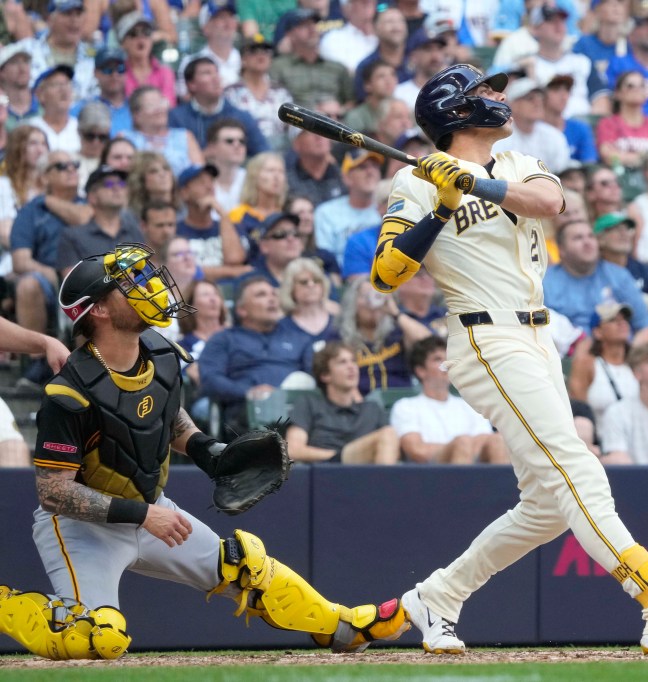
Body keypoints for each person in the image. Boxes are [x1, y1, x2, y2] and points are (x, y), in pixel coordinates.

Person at [371, 63, 648, 656]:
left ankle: (437, 597)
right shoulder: (413, 182)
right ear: (456, 110)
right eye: (484, 91)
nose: (499, 97)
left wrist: (472, 183)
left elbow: (552, 201)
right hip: (484, 338)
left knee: (547, 505)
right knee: (578, 468)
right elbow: (386, 274)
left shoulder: (518, 164)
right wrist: (440, 205)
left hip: (539, 337)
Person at [0, 243, 407, 661]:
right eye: (128, 285)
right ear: (99, 310)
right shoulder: (66, 393)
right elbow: (53, 492)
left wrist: (209, 451)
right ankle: (7, 607)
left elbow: (169, 418)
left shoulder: (160, 354)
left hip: (153, 509)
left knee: (244, 565)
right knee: (95, 639)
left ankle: (342, 625)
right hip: (81, 528)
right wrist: (145, 515)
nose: (149, 286)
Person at [199, 276, 316, 429]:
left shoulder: (300, 338)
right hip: (244, 411)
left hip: (295, 410)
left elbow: (315, 378)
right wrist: (247, 392)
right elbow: (210, 379)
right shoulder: (224, 339)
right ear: (242, 310)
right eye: (261, 295)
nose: (271, 299)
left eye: (274, 294)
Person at [11, 151, 82, 367]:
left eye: (74, 164)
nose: (71, 169)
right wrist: (49, 273)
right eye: (61, 166)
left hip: (87, 277)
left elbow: (85, 217)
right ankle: (37, 363)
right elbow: (20, 261)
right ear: (44, 177)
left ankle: (91, 366)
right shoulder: (31, 211)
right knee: (29, 284)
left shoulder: (92, 202)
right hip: (48, 280)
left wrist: (48, 198)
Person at [390, 336, 507, 465]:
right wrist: (457, 447)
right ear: (421, 371)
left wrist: (463, 447)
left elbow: (485, 439)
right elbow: (417, 450)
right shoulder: (406, 406)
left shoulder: (469, 405)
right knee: (462, 442)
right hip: (427, 476)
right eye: (438, 359)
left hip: (474, 468)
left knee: (498, 441)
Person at [286, 341, 400, 465]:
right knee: (387, 434)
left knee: (389, 434)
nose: (351, 367)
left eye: (353, 361)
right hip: (324, 474)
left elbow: (393, 449)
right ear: (325, 375)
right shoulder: (308, 404)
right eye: (342, 362)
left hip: (365, 476)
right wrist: (337, 458)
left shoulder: (372, 409)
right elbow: (293, 449)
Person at [544, 220, 648, 343]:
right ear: (561, 249)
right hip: (569, 355)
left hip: (620, 353)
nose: (587, 242)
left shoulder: (619, 275)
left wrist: (627, 357)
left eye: (591, 236)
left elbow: (646, 328)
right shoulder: (546, 283)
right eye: (578, 238)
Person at [339, 275, 433, 395]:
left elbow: (429, 343)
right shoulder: (341, 336)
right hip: (360, 403)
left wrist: (395, 312)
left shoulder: (397, 330)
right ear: (353, 303)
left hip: (402, 400)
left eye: (377, 296)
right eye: (366, 296)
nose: (372, 303)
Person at [169, 57, 268, 158]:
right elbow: (173, 160)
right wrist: (205, 155)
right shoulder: (177, 118)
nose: (216, 78)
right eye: (207, 73)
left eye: (216, 72)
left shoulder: (241, 117)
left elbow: (264, 155)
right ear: (191, 84)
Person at [56, 165, 144, 277]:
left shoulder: (135, 230)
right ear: (92, 197)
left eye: (121, 184)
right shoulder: (72, 236)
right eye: (109, 184)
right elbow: (72, 284)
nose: (117, 188)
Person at [567, 301, 640, 437]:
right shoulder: (586, 364)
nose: (622, 323)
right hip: (601, 441)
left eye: (624, 319)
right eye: (613, 320)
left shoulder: (638, 363)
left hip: (636, 439)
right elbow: (581, 411)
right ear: (598, 332)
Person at [175, 163, 248, 282]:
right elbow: (182, 271)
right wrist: (233, 272)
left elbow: (235, 259)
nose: (209, 187)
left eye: (211, 181)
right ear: (184, 193)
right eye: (201, 182)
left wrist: (223, 214)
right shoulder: (175, 232)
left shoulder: (229, 226)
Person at [269, 8, 354, 109]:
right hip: (297, 120)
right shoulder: (278, 67)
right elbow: (273, 103)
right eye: (304, 25)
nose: (312, 29)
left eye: (314, 24)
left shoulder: (337, 68)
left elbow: (352, 102)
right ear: (289, 34)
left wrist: (340, 110)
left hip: (335, 120)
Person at [314, 149, 384, 267]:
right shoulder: (326, 212)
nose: (370, 172)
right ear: (346, 177)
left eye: (375, 167)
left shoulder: (390, 210)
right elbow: (326, 258)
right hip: (344, 278)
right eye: (362, 167)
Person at [223, 34, 291, 152]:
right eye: (253, 51)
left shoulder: (281, 91)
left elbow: (290, 127)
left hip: (280, 150)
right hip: (244, 150)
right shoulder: (231, 92)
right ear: (243, 58)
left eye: (266, 51)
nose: (261, 55)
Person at [492, 78, 571, 175]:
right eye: (530, 98)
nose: (538, 102)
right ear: (513, 104)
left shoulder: (553, 136)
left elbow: (562, 173)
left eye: (540, 97)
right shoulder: (499, 136)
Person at [121, 86, 204, 177]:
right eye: (151, 105)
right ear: (136, 115)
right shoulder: (125, 138)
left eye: (161, 102)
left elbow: (200, 173)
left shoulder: (185, 136)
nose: (159, 109)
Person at [229, 151, 287, 256]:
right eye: (270, 171)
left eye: (281, 171)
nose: (277, 176)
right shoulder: (238, 214)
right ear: (254, 176)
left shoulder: (288, 213)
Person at [117, 12, 176, 104]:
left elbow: (169, 106)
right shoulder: (117, 73)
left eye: (146, 32)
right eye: (133, 34)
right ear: (122, 43)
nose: (141, 38)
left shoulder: (165, 72)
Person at [279, 257, 339, 345]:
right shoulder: (281, 326)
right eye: (304, 282)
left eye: (316, 281)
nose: (311, 285)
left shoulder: (338, 322)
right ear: (290, 288)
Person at [27, 66, 79, 155]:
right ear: (40, 95)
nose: (63, 89)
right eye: (56, 84)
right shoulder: (29, 128)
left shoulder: (82, 129)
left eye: (67, 84)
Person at [203, 119, 248, 210]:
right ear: (212, 147)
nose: (237, 145)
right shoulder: (199, 182)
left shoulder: (253, 180)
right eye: (229, 141)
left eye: (242, 141)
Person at [125, 150, 176, 219]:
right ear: (141, 180)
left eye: (166, 168)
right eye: (153, 171)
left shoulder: (186, 211)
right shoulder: (131, 217)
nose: (162, 174)